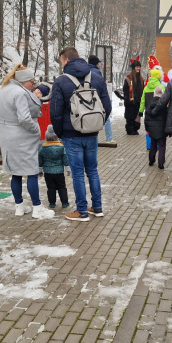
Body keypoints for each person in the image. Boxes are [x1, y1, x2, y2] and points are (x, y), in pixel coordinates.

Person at [50, 46, 112, 222]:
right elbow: (107, 107)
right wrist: (96, 123)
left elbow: (55, 111)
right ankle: (97, 207)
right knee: (92, 170)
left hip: (71, 135)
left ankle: (82, 211)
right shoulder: (97, 78)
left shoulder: (61, 81)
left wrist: (61, 132)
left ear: (66, 60)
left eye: (61, 61)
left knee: (77, 173)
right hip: (92, 133)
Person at [0, 64, 54, 219]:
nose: (33, 85)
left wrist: (6, 124)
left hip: (6, 136)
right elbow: (24, 118)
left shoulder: (0, 89)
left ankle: (19, 206)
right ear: (23, 81)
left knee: (15, 172)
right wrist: (35, 130)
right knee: (31, 171)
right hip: (23, 137)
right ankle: (37, 208)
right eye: (31, 82)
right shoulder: (20, 93)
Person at [38, 125, 70, 209]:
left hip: (48, 173)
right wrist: (67, 168)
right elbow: (65, 159)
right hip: (59, 172)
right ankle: (64, 202)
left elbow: (40, 160)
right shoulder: (61, 148)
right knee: (62, 187)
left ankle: (52, 203)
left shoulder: (43, 148)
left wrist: (40, 169)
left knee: (51, 188)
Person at [88, 55, 115, 145]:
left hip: (87, 99)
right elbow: (100, 85)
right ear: (96, 63)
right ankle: (109, 138)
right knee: (105, 118)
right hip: (97, 99)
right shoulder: (97, 72)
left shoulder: (85, 71)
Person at [144, 86, 168, 169]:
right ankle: (161, 163)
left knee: (153, 145)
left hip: (152, 130)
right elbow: (167, 118)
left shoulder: (149, 106)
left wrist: (147, 129)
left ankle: (151, 160)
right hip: (162, 130)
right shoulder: (164, 106)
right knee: (162, 146)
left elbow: (146, 119)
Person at [123, 59, 144, 135]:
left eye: (139, 67)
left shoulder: (141, 78)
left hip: (138, 101)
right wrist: (127, 100)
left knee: (136, 116)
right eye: (136, 67)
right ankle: (130, 129)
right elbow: (125, 90)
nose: (138, 68)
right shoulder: (128, 79)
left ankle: (135, 129)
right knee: (130, 116)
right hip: (130, 101)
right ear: (133, 68)